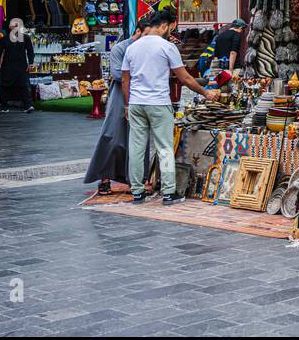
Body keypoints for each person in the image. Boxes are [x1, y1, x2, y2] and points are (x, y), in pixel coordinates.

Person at [121, 11, 217, 204]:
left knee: (137, 148)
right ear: (165, 25)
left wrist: (127, 104)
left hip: (137, 103)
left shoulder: (132, 47)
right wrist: (205, 93)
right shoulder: (167, 47)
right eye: (171, 27)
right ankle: (168, 192)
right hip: (158, 103)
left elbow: (125, 79)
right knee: (164, 147)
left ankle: (138, 192)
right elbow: (185, 78)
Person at [84, 17, 150, 194]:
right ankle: (104, 178)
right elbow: (118, 73)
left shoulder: (147, 48)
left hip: (141, 95)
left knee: (137, 137)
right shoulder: (120, 48)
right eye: (145, 35)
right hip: (120, 96)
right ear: (137, 32)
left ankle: (134, 180)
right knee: (112, 136)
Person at [0, 18, 35, 113]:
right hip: (7, 66)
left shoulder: (26, 38)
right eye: (14, 26)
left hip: (22, 66)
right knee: (5, 86)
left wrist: (31, 63)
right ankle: (4, 105)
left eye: (18, 26)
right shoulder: (4, 39)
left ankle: (28, 105)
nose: (16, 28)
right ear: (10, 27)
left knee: (24, 85)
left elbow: (30, 51)